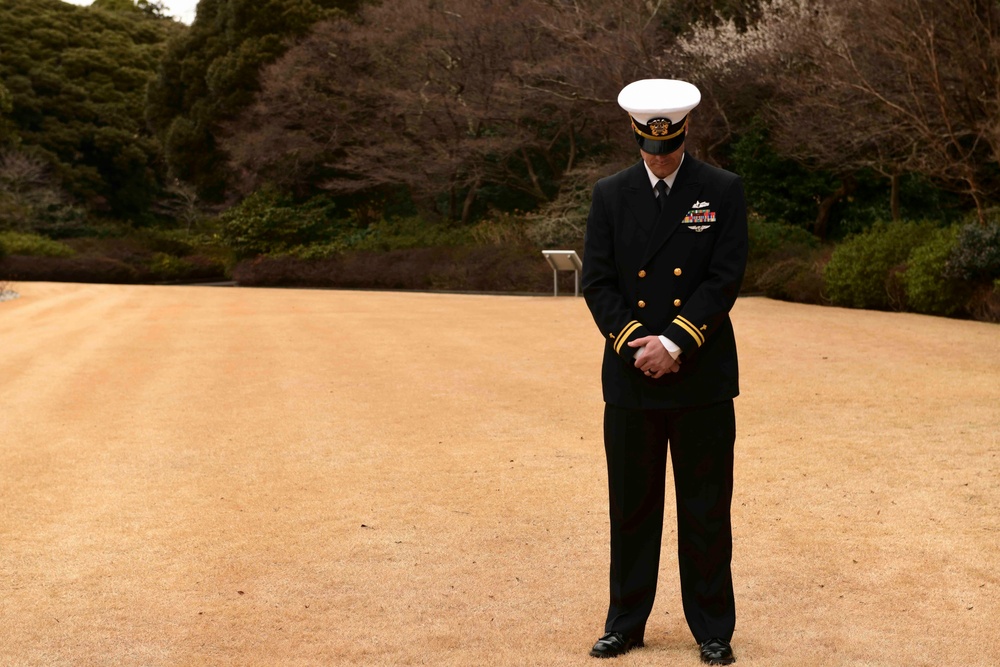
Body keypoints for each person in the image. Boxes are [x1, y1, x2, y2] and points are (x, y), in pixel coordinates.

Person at [581, 79, 748, 665]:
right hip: (632, 376)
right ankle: (625, 622)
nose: (660, 159)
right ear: (637, 140)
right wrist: (636, 345)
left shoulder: (722, 190)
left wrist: (676, 342)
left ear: (682, 136)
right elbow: (597, 282)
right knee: (631, 505)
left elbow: (724, 277)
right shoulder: (610, 194)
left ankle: (712, 629)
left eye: (669, 149)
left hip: (700, 375)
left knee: (705, 505)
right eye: (651, 151)